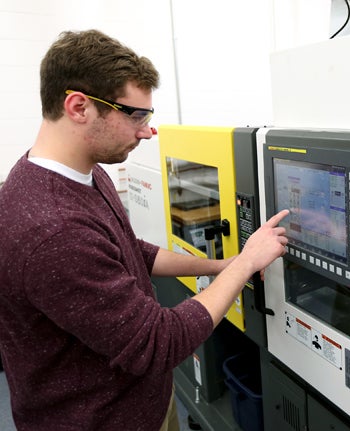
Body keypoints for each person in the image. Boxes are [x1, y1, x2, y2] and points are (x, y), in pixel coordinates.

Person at [0, 29, 288, 431]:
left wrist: (223, 264)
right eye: (135, 115)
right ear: (79, 107)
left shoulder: (81, 171)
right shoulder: (53, 229)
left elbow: (128, 248)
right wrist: (247, 265)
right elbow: (159, 343)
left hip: (140, 401)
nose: (147, 131)